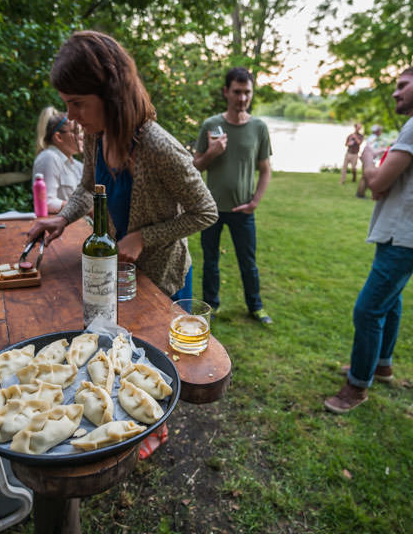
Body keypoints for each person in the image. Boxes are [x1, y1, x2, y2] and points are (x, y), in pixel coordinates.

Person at [26, 31, 217, 460]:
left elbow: (206, 211)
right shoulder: (96, 135)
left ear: (111, 94)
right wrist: (59, 219)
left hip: (163, 274)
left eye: (78, 102)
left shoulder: (158, 146)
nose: (71, 116)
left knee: (154, 359)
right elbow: (87, 190)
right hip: (120, 270)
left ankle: (155, 427)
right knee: (118, 350)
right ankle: (128, 421)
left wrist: (143, 236)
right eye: (68, 103)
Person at [325, 62, 413, 414]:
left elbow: (377, 182)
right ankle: (381, 365)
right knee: (391, 300)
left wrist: (369, 156)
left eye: (404, 85)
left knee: (368, 310)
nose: (396, 91)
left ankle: (356, 387)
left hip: (407, 234)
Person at [193, 67, 273, 325]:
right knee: (211, 261)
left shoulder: (259, 127)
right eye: (237, 92)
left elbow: (265, 169)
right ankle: (211, 306)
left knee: (248, 262)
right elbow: (194, 167)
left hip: (243, 209)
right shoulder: (211, 125)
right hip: (211, 209)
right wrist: (212, 153)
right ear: (226, 92)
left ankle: (256, 306)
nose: (242, 98)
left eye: (246, 92)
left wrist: (255, 202)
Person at [33, 106, 84, 213]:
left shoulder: (78, 165)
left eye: (81, 131)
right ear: (58, 137)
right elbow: (47, 203)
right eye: (76, 131)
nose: (81, 136)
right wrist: (84, 207)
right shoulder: (49, 158)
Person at [356, 124, 384, 198]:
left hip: (368, 159)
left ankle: (360, 193)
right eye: (380, 130)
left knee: (365, 177)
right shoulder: (374, 139)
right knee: (365, 177)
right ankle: (360, 194)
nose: (381, 132)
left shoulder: (373, 138)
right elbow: (372, 151)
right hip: (369, 160)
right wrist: (383, 150)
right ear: (377, 131)